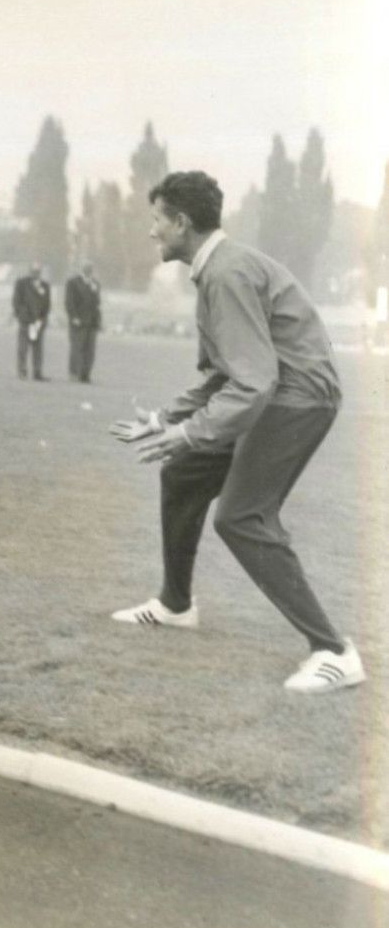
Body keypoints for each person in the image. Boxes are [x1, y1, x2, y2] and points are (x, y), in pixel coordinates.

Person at [109, 170, 363, 694]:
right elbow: (229, 373)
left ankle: (335, 652)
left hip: (298, 400)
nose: (151, 231)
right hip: (277, 391)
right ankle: (175, 605)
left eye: (156, 219)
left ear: (181, 222)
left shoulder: (226, 274)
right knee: (182, 475)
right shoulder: (218, 268)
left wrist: (187, 432)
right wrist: (166, 421)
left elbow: (253, 384)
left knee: (241, 516)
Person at [12, 262, 50, 380]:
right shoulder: (22, 283)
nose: (36, 274)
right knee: (23, 348)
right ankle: (22, 371)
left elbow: (47, 304)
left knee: (38, 349)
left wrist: (42, 319)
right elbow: (16, 301)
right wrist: (21, 316)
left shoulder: (45, 285)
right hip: (25, 321)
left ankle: (37, 372)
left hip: (38, 322)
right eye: (34, 271)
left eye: (38, 271)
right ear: (30, 271)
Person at [65, 261, 102, 383]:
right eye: (86, 269)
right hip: (78, 322)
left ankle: (85, 375)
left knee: (90, 350)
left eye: (90, 269)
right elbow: (69, 302)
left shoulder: (95, 284)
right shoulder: (73, 283)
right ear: (81, 269)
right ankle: (74, 374)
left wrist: (98, 321)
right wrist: (74, 317)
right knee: (77, 348)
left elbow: (97, 304)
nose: (88, 271)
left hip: (92, 322)